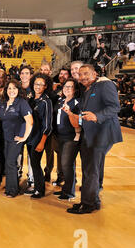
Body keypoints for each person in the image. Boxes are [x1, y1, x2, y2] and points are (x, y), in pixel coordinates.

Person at [67, 64, 122, 214]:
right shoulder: (87, 89)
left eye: (86, 74)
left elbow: (115, 107)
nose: (83, 77)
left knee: (91, 168)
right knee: (92, 168)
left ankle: (88, 203)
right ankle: (93, 200)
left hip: (102, 133)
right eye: (80, 74)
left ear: (94, 73)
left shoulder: (105, 84)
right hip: (91, 133)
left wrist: (97, 116)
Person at [0, 80, 33, 197]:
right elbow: (0, 117)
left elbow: (30, 121)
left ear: (18, 90)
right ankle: (9, 188)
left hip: (16, 138)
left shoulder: (22, 103)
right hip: (6, 138)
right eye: (9, 88)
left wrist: (24, 137)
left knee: (10, 162)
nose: (11, 91)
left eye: (14, 88)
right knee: (8, 163)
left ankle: (13, 190)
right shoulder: (4, 103)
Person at [25, 73, 53, 198]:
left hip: (38, 138)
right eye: (36, 83)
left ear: (45, 86)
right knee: (33, 163)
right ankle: (36, 187)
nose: (38, 86)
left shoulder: (46, 102)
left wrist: (42, 142)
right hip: (30, 137)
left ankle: (39, 190)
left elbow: (48, 125)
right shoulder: (31, 99)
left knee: (36, 164)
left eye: (41, 84)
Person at [52, 78, 81, 200]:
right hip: (59, 137)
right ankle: (66, 188)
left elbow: (78, 123)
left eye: (70, 87)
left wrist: (69, 113)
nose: (67, 89)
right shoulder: (60, 100)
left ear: (75, 90)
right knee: (64, 166)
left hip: (71, 137)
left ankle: (69, 192)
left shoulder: (77, 103)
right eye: (65, 86)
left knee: (67, 164)